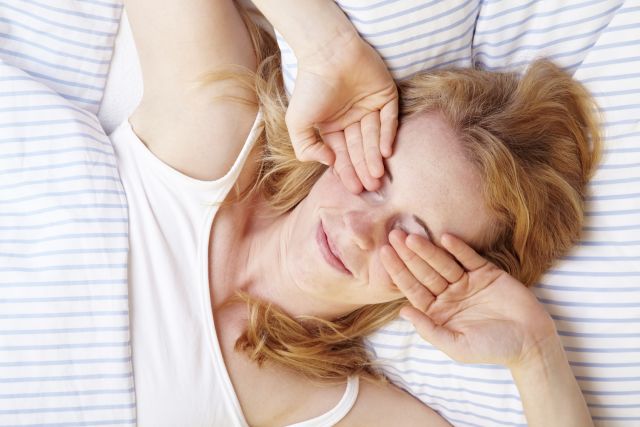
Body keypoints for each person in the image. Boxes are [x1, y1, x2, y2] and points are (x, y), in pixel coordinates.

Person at [113, 0, 601, 425]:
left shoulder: (323, 402)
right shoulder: (214, 128)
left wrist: (537, 355)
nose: (361, 230)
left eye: (412, 238)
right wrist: (327, 47)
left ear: (454, 278)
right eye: (375, 180)